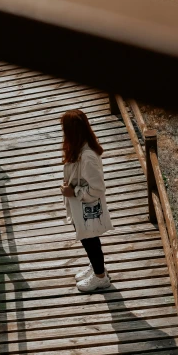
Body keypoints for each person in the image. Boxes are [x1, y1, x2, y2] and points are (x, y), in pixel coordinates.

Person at [60, 109, 113, 293]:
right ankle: (96, 267)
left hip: (87, 207)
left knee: (91, 240)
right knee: (88, 239)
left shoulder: (87, 156)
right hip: (81, 208)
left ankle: (100, 277)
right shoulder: (78, 148)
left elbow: (97, 189)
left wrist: (73, 191)